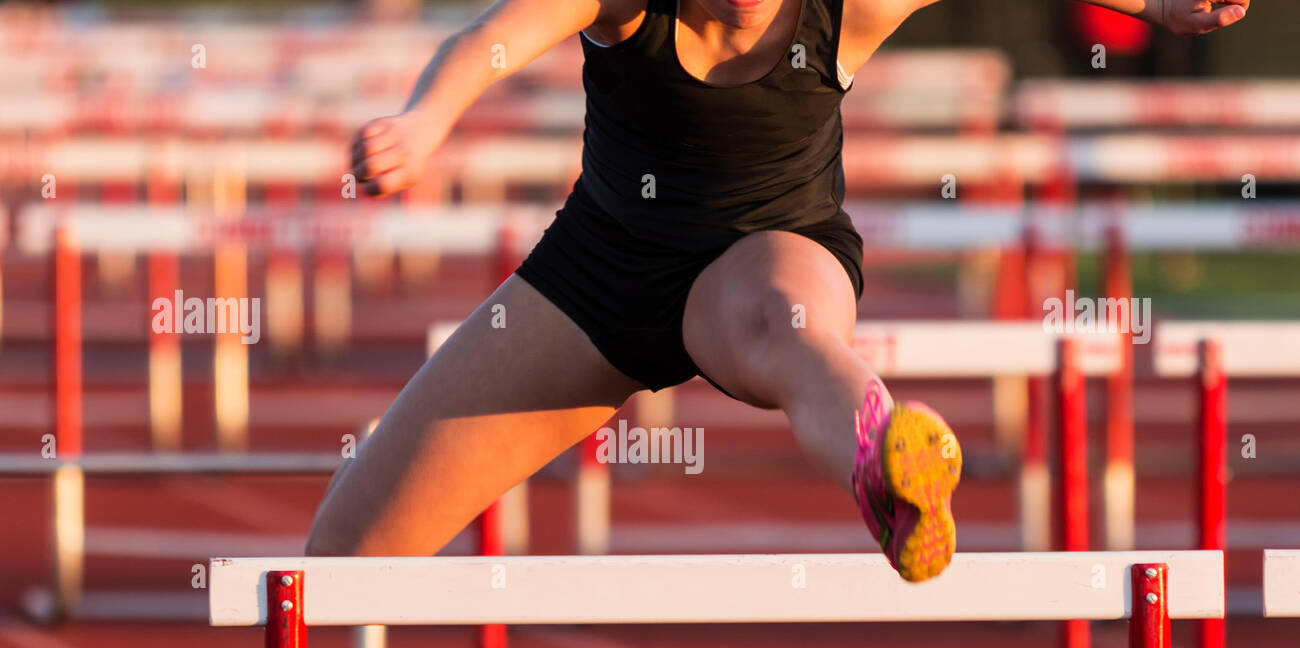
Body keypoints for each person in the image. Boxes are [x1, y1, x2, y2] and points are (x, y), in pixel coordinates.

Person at [306, 0, 1250, 582]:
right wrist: (426, 120)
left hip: (767, 253)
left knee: (789, 332)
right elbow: (491, 40)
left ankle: (888, 462)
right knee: (338, 565)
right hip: (594, 279)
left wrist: (1158, 5)